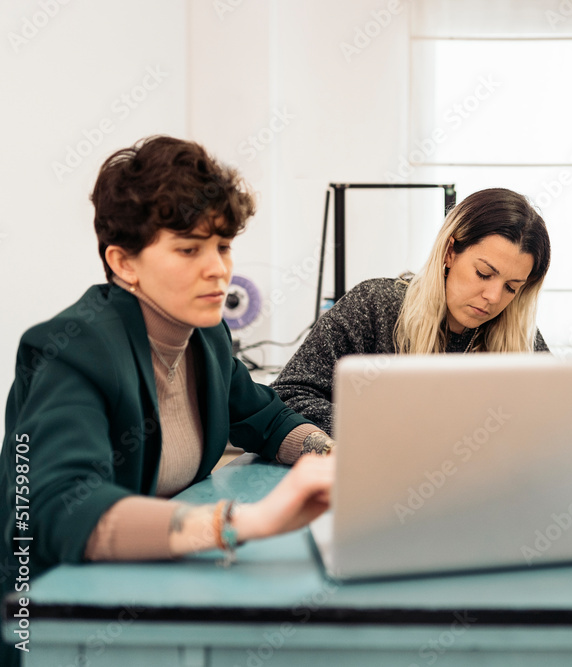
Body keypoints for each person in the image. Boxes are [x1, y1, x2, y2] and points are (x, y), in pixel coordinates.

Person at [0, 136, 335, 662]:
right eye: (188, 248)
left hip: (154, 590)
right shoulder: (70, 348)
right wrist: (239, 523)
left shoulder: (205, 334)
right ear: (124, 262)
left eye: (222, 246)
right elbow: (61, 507)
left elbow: (265, 417)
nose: (218, 269)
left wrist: (334, 457)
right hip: (54, 621)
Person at [272, 187, 551, 433]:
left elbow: (555, 418)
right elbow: (287, 398)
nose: (493, 297)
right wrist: (386, 430)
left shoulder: (519, 336)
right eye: (483, 273)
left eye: (511, 288)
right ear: (449, 252)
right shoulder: (374, 307)